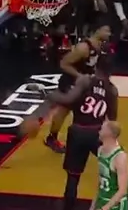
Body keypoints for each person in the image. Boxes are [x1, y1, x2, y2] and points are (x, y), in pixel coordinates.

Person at [45, 57, 118, 210]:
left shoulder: (85, 81)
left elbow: (67, 99)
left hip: (77, 132)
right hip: (96, 134)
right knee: (113, 172)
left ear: (95, 67)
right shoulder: (112, 90)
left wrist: (45, 93)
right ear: (111, 72)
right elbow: (112, 120)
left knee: (73, 178)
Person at [43, 23, 111, 153]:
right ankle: (52, 138)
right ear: (97, 30)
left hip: (84, 83)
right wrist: (80, 76)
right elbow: (64, 64)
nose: (109, 34)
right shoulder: (83, 48)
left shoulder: (100, 45)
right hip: (71, 82)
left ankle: (83, 137)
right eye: (106, 31)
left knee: (85, 110)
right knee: (63, 110)